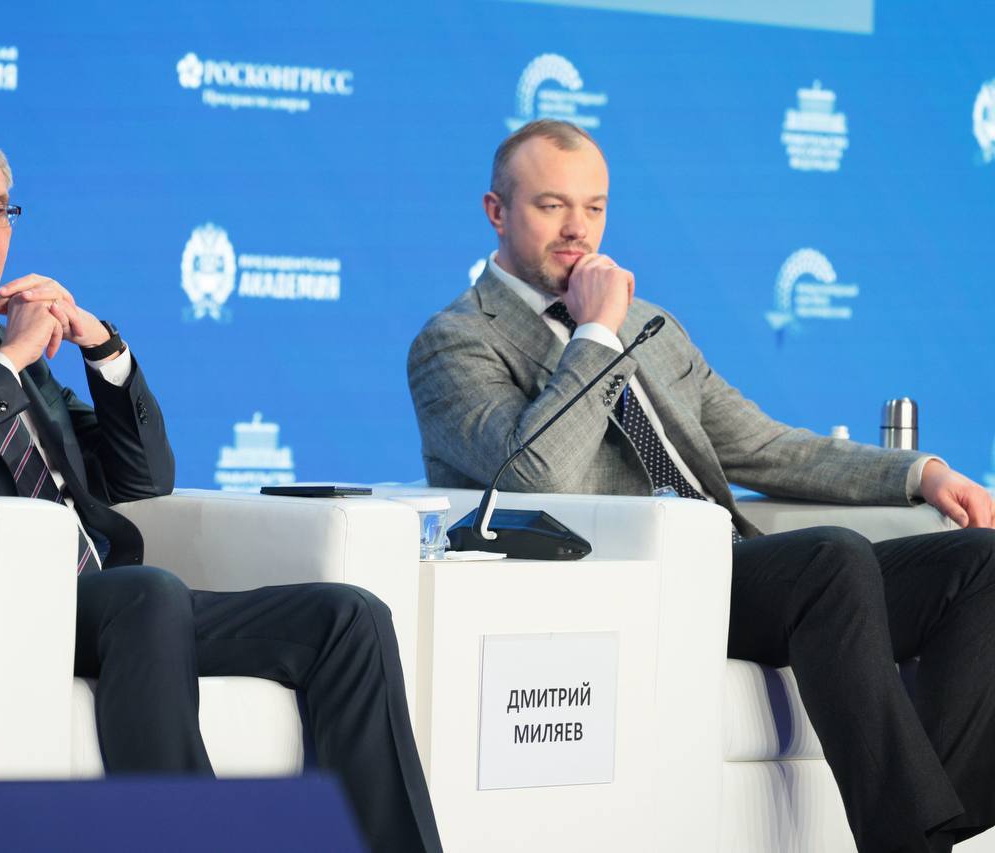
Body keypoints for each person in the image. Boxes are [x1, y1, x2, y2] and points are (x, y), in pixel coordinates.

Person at [0, 125, 441, 853]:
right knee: (147, 591)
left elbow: (141, 479)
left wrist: (103, 350)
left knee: (347, 617)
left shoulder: (9, 348)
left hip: (110, 605)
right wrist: (8, 362)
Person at [408, 118, 995, 853]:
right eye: (552, 205)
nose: (578, 228)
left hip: (732, 573)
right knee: (832, 558)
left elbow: (763, 444)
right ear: (497, 212)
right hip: (621, 585)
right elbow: (536, 476)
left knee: (980, 563)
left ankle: (934, 829)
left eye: (594, 207)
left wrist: (919, 473)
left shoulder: (651, 325)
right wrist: (596, 335)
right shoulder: (457, 341)